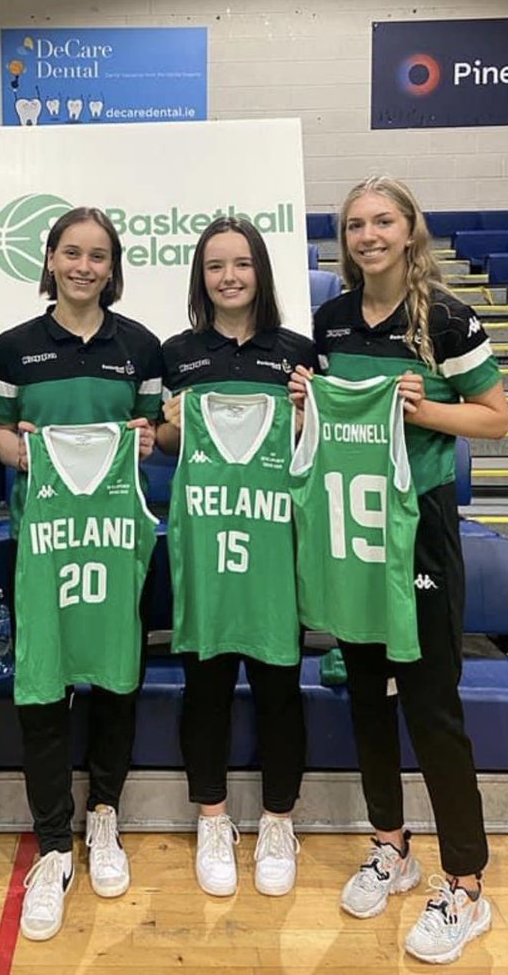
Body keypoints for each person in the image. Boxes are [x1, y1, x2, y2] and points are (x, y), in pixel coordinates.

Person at [289, 176, 508, 965]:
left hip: (418, 536)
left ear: (411, 229)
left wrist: (424, 411)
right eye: (355, 224)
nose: (368, 234)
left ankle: (466, 884)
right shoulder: (331, 319)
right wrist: (301, 398)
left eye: (383, 221)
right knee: (365, 696)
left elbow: (495, 417)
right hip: (356, 534)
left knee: (429, 704)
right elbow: (322, 419)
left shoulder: (443, 317)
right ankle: (391, 845)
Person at [0, 206, 162, 942]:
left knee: (118, 679)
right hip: (43, 540)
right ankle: (53, 842)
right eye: (72, 253)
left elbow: (156, 433)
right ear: (50, 260)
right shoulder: (14, 346)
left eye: (98, 256)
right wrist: (21, 452)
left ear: (112, 267)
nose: (85, 266)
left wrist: (148, 440)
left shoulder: (141, 346)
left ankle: (104, 816)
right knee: (44, 686)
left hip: (116, 541)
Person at [156, 217, 315, 899]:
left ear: (260, 273)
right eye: (216, 265)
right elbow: (168, 443)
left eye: (241, 264)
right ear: (201, 277)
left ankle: (279, 820)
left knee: (280, 689)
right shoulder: (177, 353)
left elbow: (318, 448)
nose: (229, 276)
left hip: (275, 546)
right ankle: (212, 817)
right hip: (207, 549)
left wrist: (310, 416)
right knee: (206, 686)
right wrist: (164, 426)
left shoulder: (298, 353)